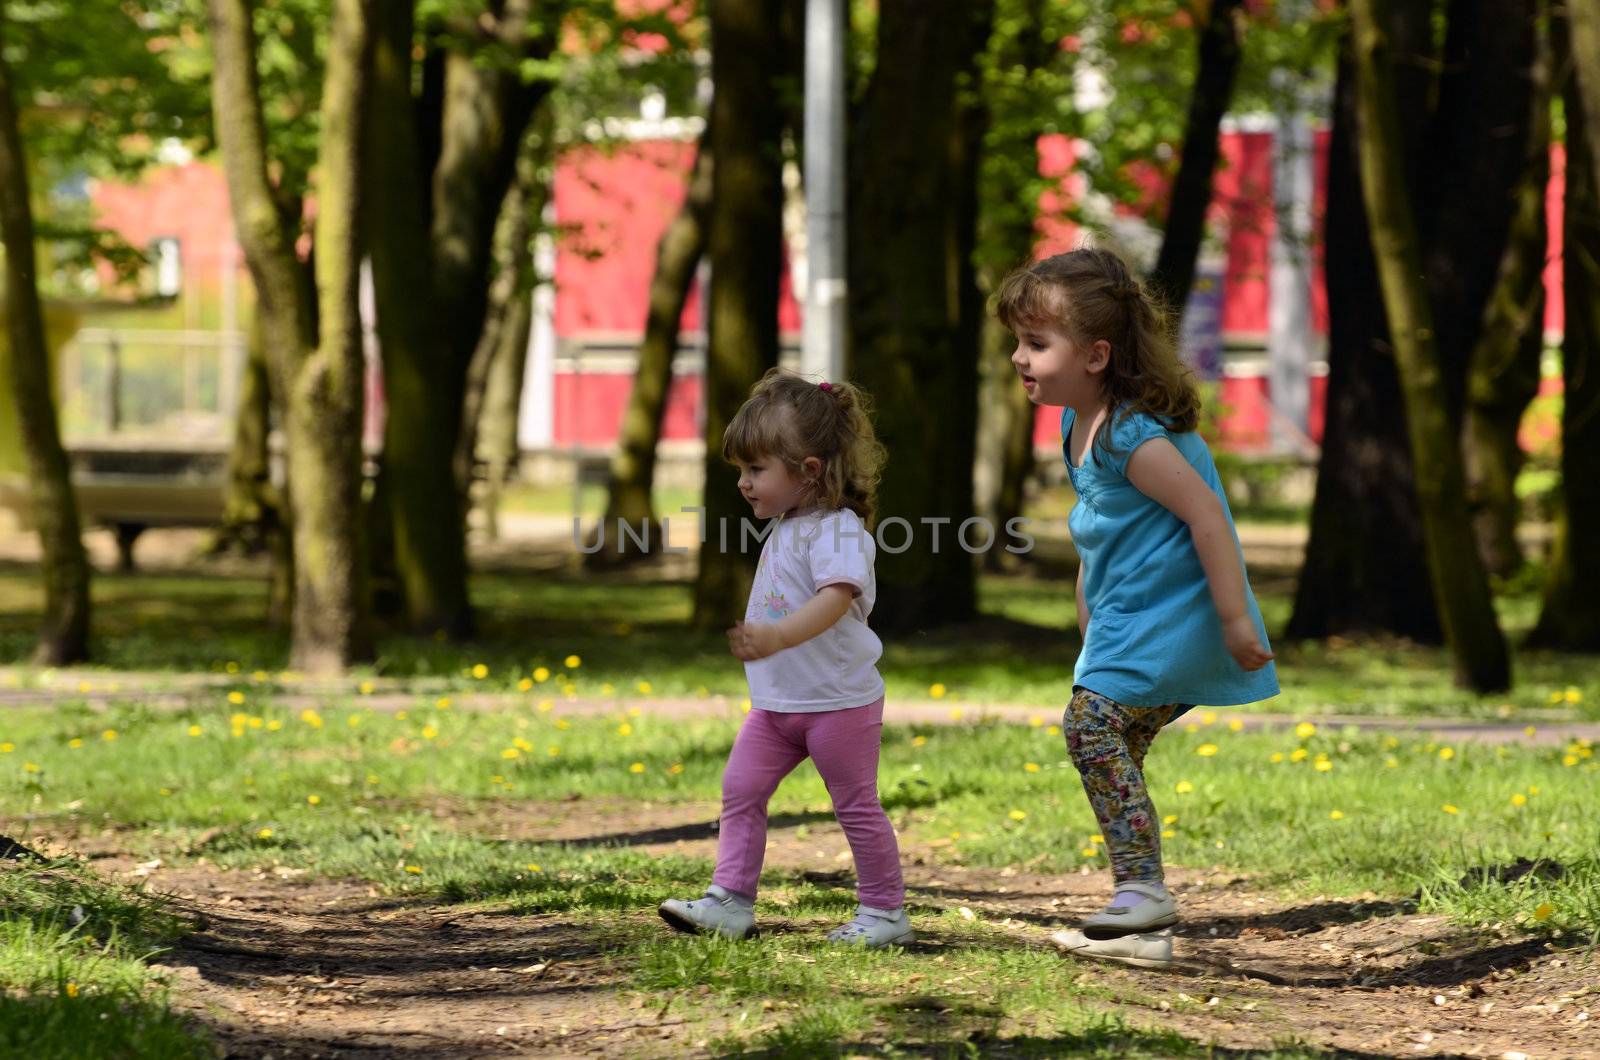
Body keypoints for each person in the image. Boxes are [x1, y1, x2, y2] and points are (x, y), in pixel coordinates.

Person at [995, 247, 1279, 968]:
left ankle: (1142, 893)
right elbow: (1102, 533)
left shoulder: (1131, 434)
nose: (1019, 358)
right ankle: (1142, 929)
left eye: (1036, 343)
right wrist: (1089, 610)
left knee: (1091, 728)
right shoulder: (1075, 426)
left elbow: (1207, 518)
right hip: (1133, 622)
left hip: (1182, 620)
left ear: (1094, 355)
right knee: (1117, 745)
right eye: (1017, 343)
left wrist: (1238, 620)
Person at [658, 369, 912, 947]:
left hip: (839, 705)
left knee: (855, 806)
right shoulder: (788, 526)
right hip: (777, 707)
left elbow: (835, 599)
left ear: (809, 470)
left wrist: (776, 638)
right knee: (740, 789)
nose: (744, 483)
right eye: (741, 470)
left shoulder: (838, 530)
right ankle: (730, 901)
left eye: (756, 469)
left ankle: (884, 913)